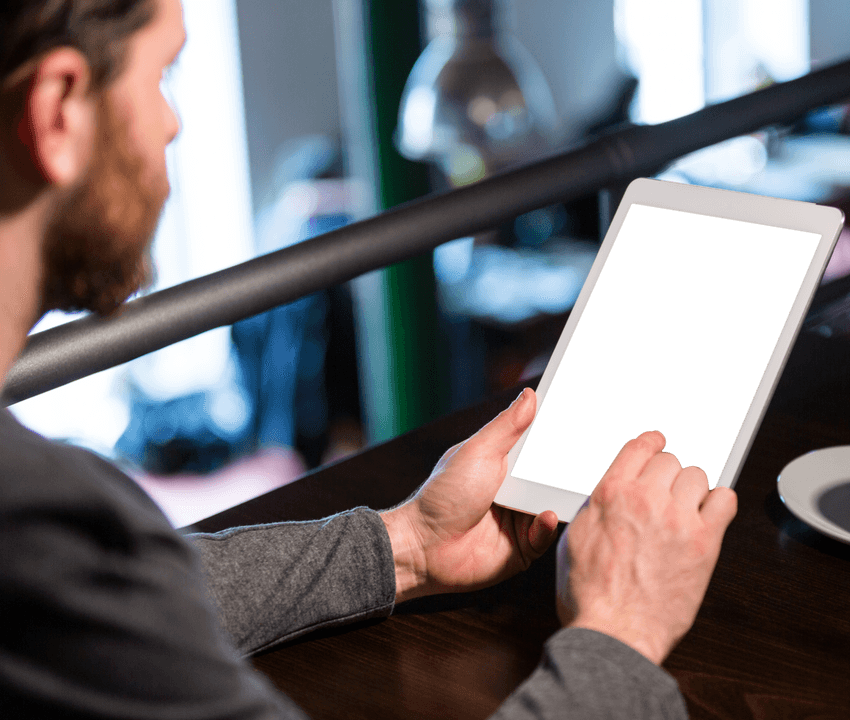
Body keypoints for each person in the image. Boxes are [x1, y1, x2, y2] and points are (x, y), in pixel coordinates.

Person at [0, 0, 740, 717]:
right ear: (58, 107)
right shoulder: (42, 523)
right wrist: (618, 634)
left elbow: (123, 602)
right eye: (163, 75)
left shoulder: (53, 555)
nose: (173, 122)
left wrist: (408, 544)